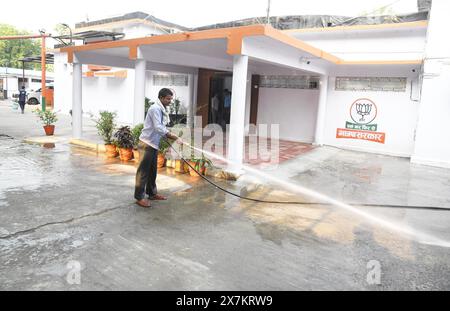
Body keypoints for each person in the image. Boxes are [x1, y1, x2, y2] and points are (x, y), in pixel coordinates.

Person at [134, 88, 182, 208]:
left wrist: (167, 135)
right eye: (168, 99)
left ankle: (152, 193)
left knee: (152, 170)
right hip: (146, 144)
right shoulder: (155, 108)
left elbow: (161, 127)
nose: (170, 101)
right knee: (143, 172)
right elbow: (158, 127)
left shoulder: (161, 108)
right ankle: (139, 197)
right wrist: (173, 136)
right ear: (161, 97)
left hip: (153, 143)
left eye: (171, 99)